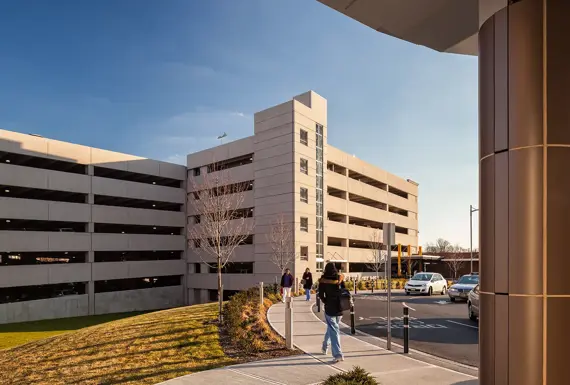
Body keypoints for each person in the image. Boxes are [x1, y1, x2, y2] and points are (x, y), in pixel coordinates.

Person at [318, 262, 345, 363]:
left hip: (329, 307)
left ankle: (338, 354)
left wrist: (325, 301)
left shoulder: (323, 280)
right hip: (340, 307)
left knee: (333, 329)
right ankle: (325, 346)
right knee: (333, 328)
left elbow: (320, 294)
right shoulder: (339, 278)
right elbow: (344, 290)